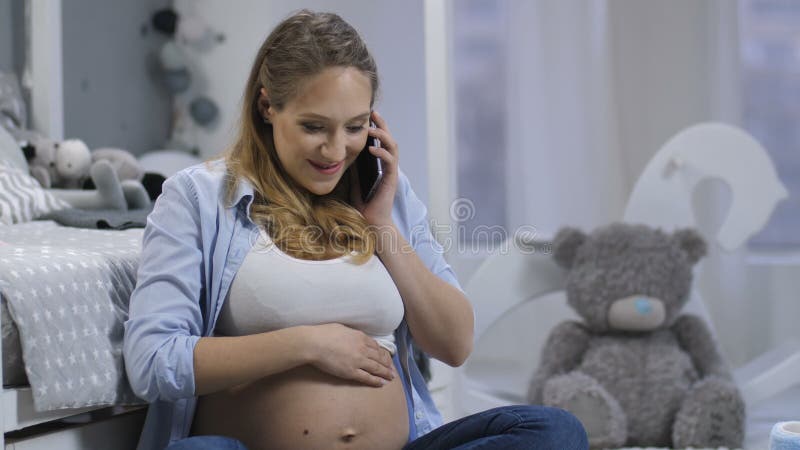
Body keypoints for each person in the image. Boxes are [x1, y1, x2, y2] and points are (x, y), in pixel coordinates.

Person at [123, 9, 588, 450]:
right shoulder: (199, 197)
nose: (335, 150)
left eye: (354, 126)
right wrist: (306, 344)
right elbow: (153, 360)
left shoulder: (386, 191)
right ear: (268, 106)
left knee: (555, 431)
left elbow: (455, 343)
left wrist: (381, 225)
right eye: (314, 126)